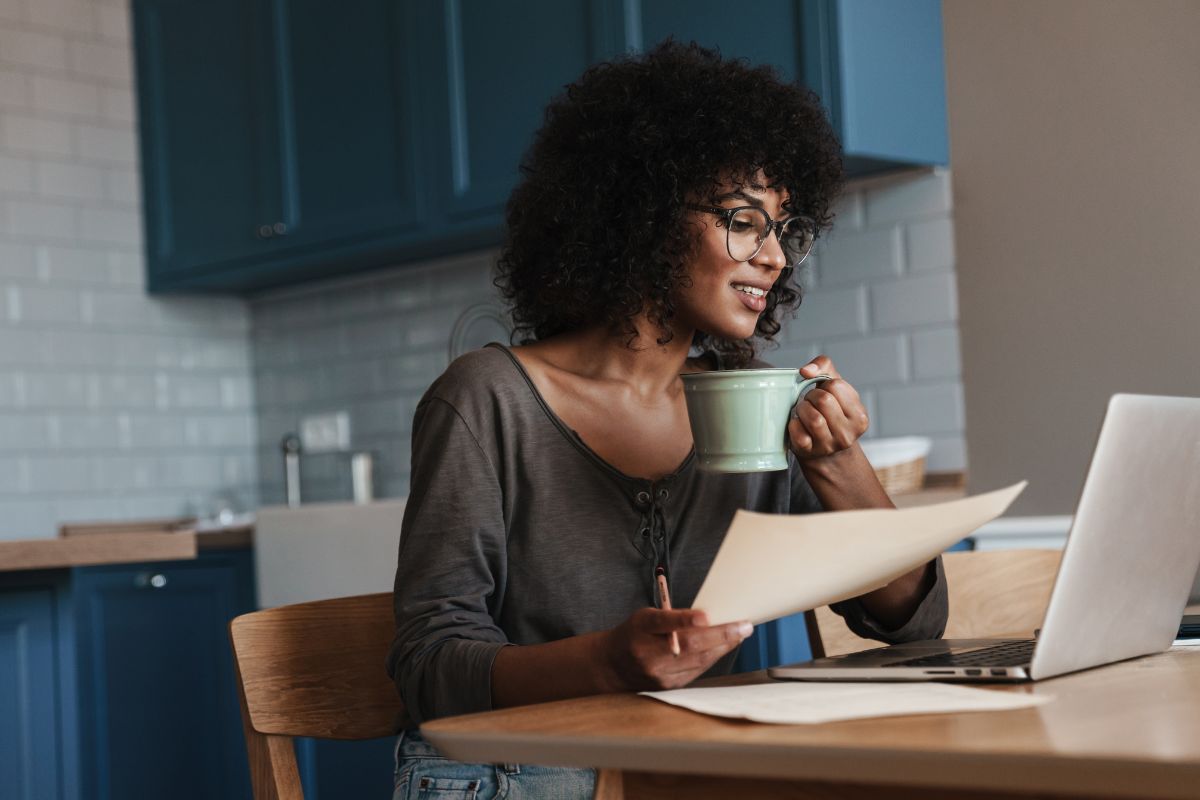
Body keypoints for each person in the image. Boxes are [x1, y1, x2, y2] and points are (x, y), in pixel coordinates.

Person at [387, 41, 947, 799]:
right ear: (641, 215)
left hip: (699, 776)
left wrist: (838, 461)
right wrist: (611, 663)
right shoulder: (487, 400)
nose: (776, 257)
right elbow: (429, 667)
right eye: (744, 221)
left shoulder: (755, 400)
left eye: (785, 229)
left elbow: (908, 623)